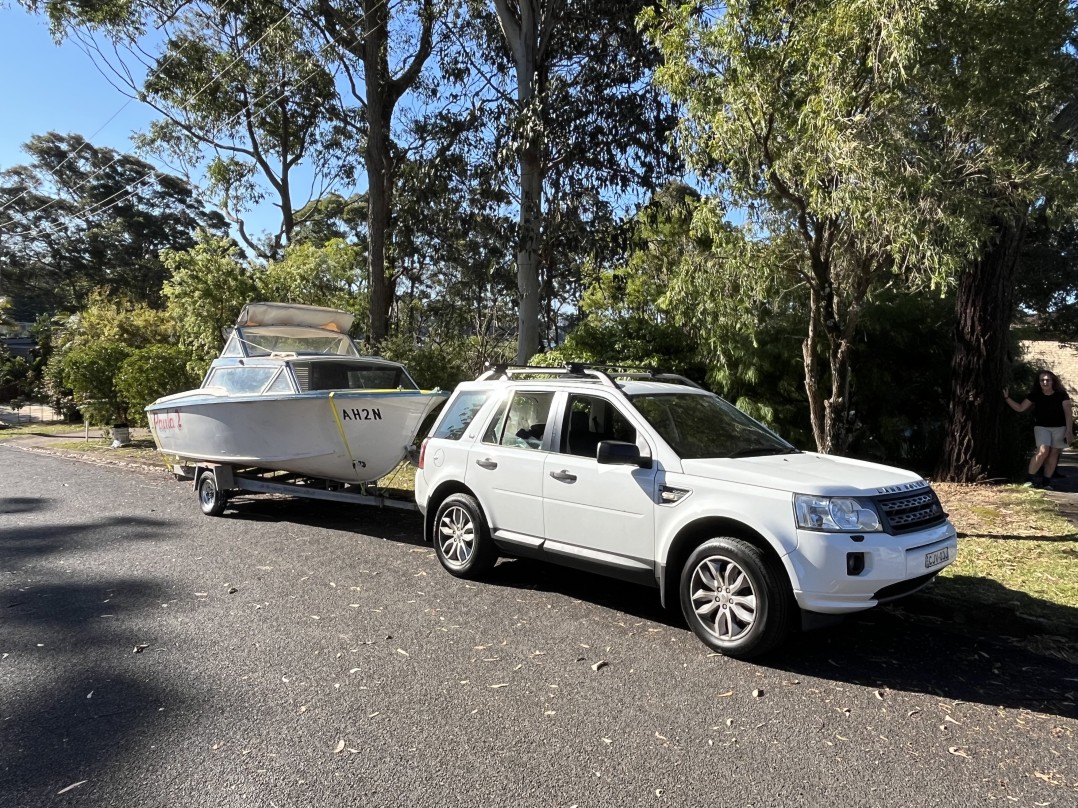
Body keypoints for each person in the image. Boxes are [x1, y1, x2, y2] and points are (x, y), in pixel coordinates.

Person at [1004, 370, 1074, 488]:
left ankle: (1046, 482)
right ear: (1039, 382)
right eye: (1042, 380)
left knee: (1053, 454)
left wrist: (1069, 431)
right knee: (1043, 451)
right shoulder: (1035, 395)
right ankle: (1029, 479)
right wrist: (1006, 398)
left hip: (1060, 428)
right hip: (1042, 427)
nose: (1045, 382)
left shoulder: (1062, 395)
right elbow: (1020, 408)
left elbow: (1068, 413)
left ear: (1053, 382)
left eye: (1047, 380)